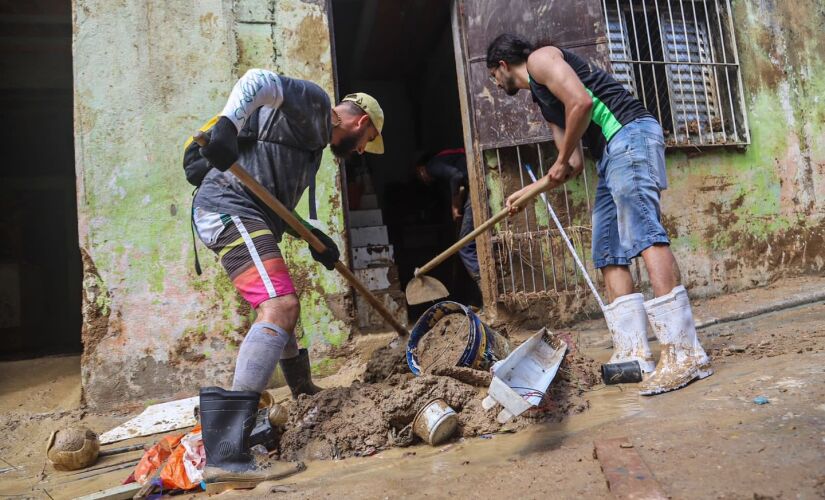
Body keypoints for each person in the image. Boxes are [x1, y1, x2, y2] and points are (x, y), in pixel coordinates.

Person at [183, 68, 384, 491]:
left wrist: (315, 240)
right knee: (280, 305)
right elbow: (258, 80)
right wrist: (227, 125)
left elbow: (271, 195)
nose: (362, 151)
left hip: (248, 212)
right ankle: (229, 455)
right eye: (367, 141)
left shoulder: (310, 150)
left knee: (284, 304)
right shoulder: (315, 103)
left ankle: (303, 389)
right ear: (361, 122)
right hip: (228, 206)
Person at [485, 34, 712, 396]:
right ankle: (635, 353)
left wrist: (558, 164)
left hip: (630, 134)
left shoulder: (541, 60)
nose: (496, 84)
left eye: (493, 76)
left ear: (501, 65)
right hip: (609, 155)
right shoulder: (544, 103)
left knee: (643, 233)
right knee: (607, 248)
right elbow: (571, 163)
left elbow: (581, 102)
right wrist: (531, 192)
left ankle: (685, 353)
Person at [414, 148, 481, 289]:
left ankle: (484, 285)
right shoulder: (444, 160)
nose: (426, 182)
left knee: (465, 246)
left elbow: (456, 176)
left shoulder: (432, 166)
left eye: (421, 178)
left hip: (478, 184)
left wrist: (454, 203)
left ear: (421, 169)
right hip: (476, 183)